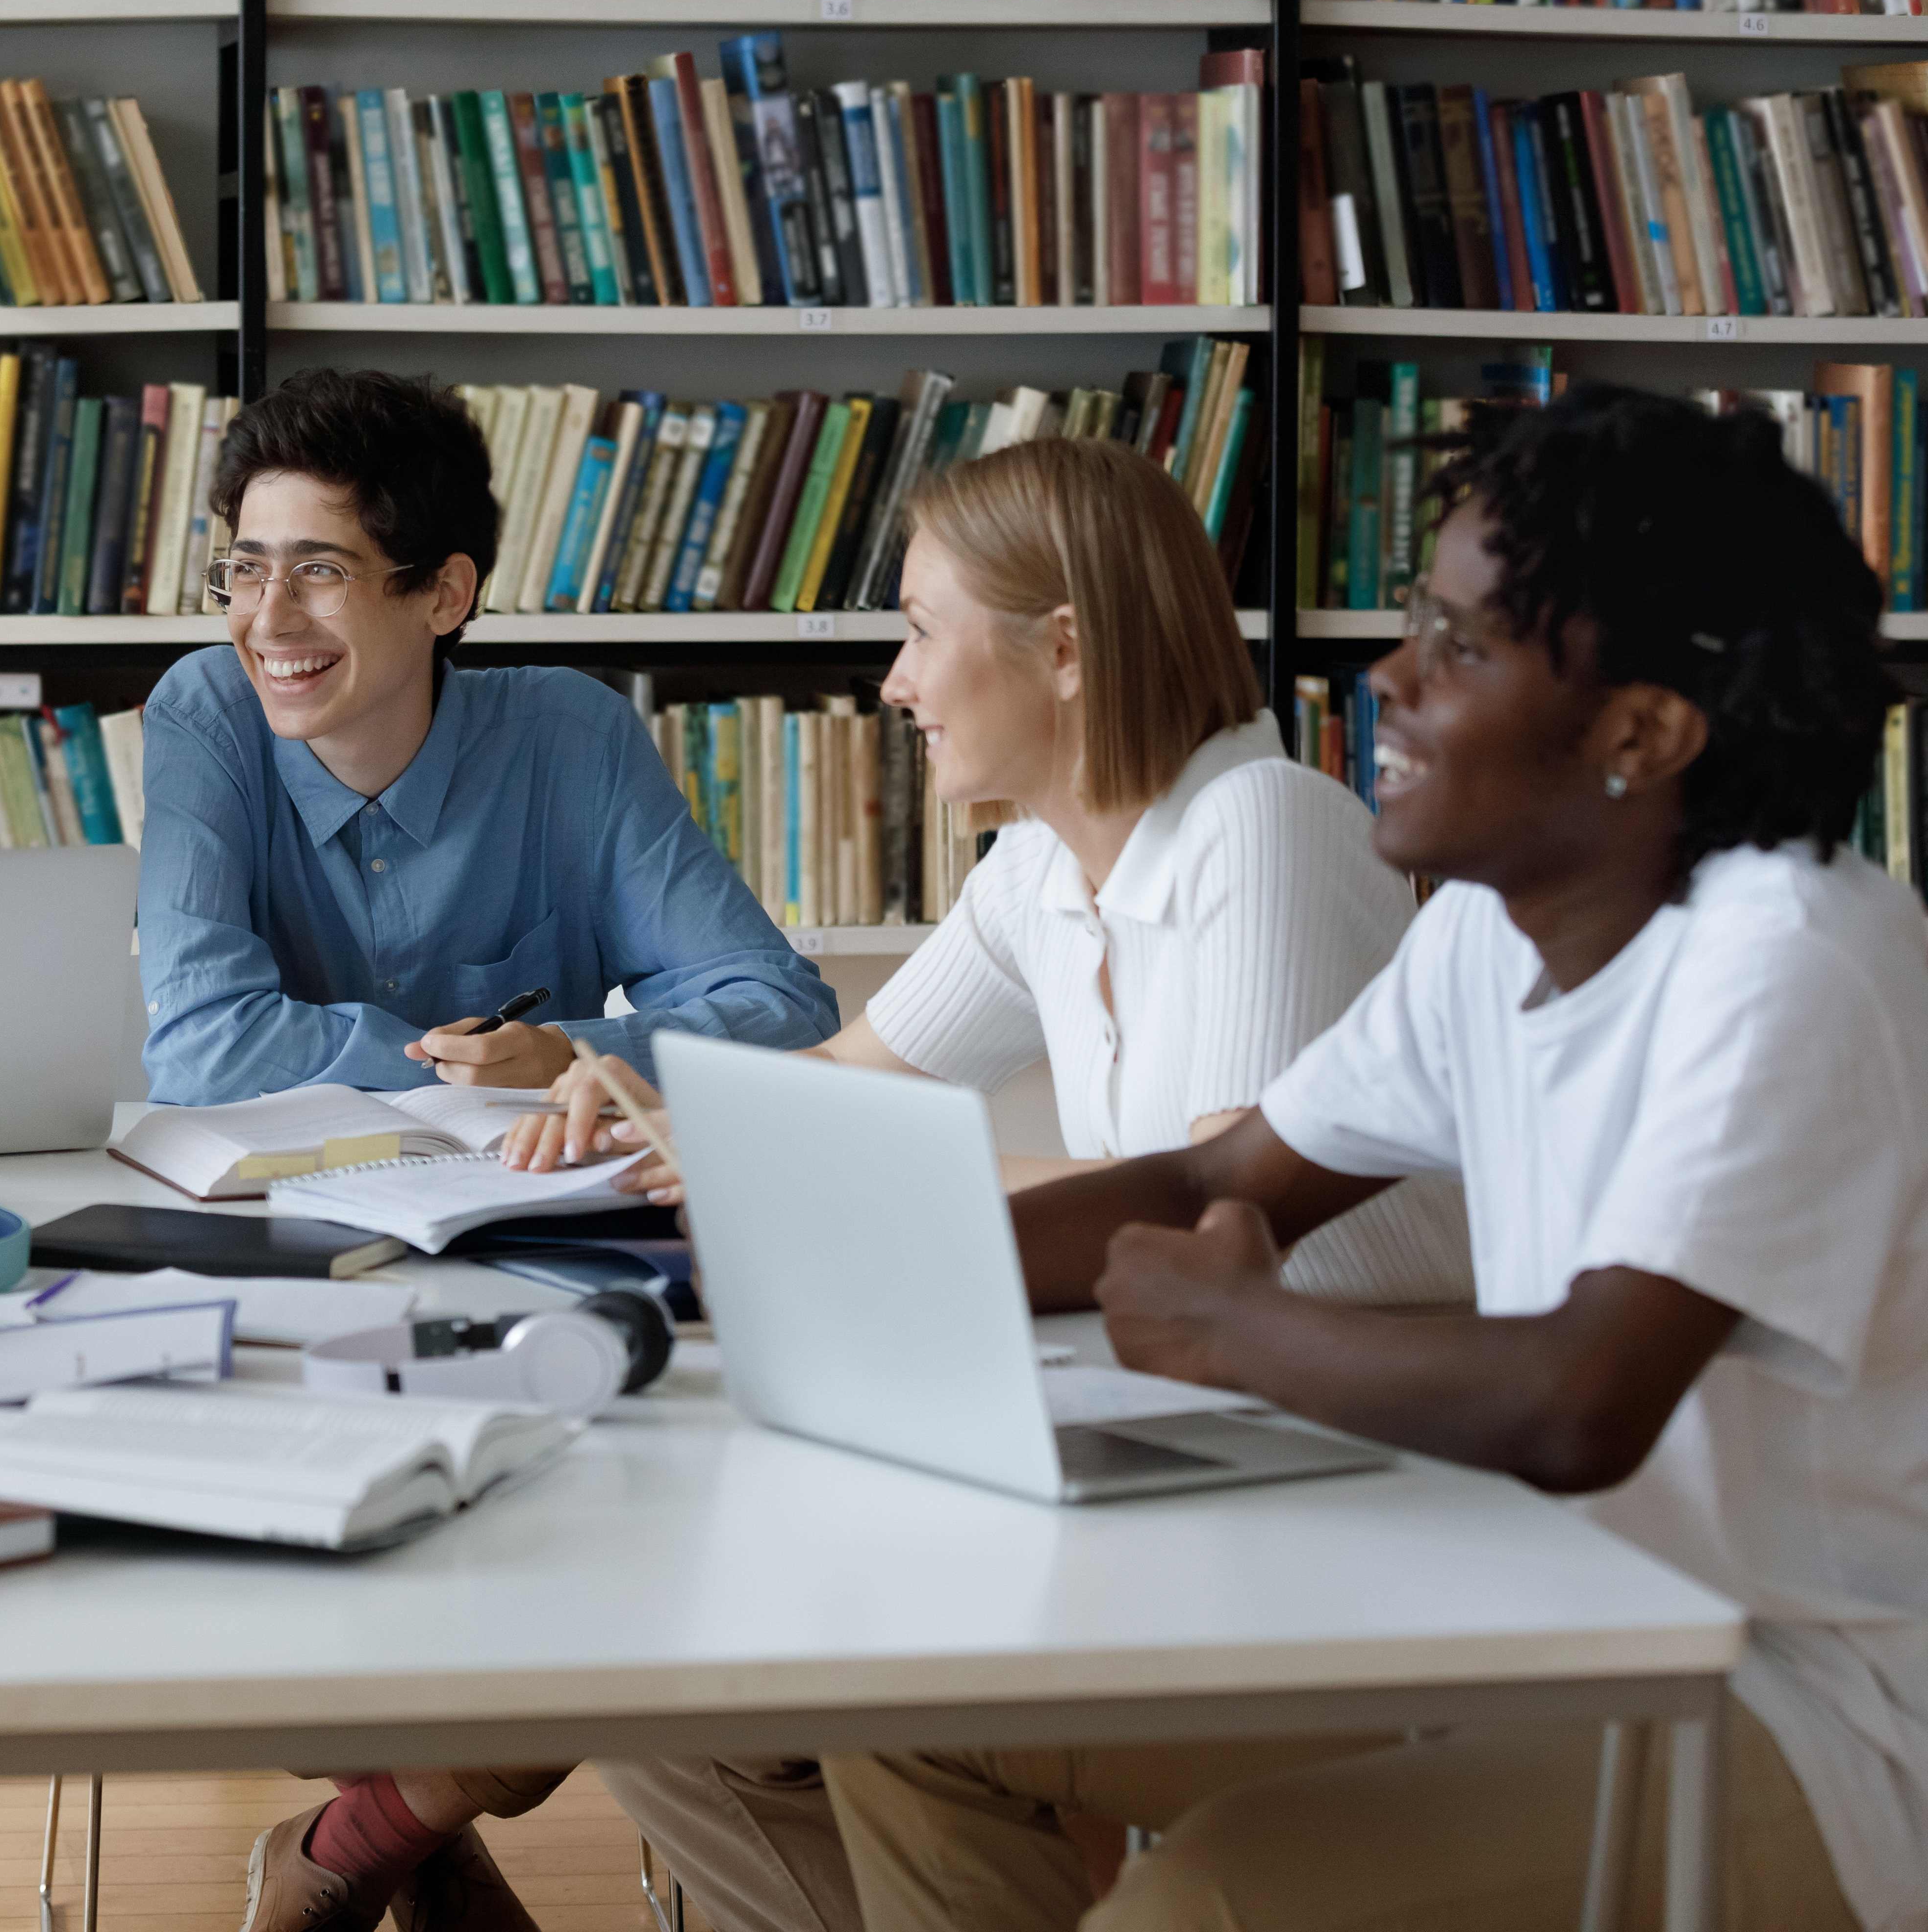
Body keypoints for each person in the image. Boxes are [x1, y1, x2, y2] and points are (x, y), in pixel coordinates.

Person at [258, 436, 1477, 1932]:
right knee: (676, 1618)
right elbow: (847, 1082)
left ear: (1069, 649)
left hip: (1349, 1499)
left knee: (715, 1581)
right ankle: (402, 1803)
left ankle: (394, 1805)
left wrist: (792, 1171)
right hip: (1176, 1445)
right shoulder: (1044, 870)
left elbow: (1199, 1212)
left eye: (919, 629)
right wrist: (654, 1099)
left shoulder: (1261, 825)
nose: (893, 683)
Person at [817, 385, 1925, 1929]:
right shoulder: (1492, 921)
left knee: (1194, 1906)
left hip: (1795, 1709)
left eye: (1463, 648)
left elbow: (1581, 1400)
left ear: (1641, 733)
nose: (1391, 680)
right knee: (909, 1705)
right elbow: (1224, 1184)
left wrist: (1236, 1330)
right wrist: (854, 1273)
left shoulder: (1790, 957)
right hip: (1543, 1622)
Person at [139, 367, 840, 1111]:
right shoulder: (207, 715)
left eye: (319, 572)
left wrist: (567, 1055)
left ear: (445, 595)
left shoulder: (572, 737)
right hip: (271, 1207)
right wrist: (468, 1073)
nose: (269, 620)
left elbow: (786, 1014)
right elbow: (201, 1052)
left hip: (525, 1202)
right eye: (247, 570)